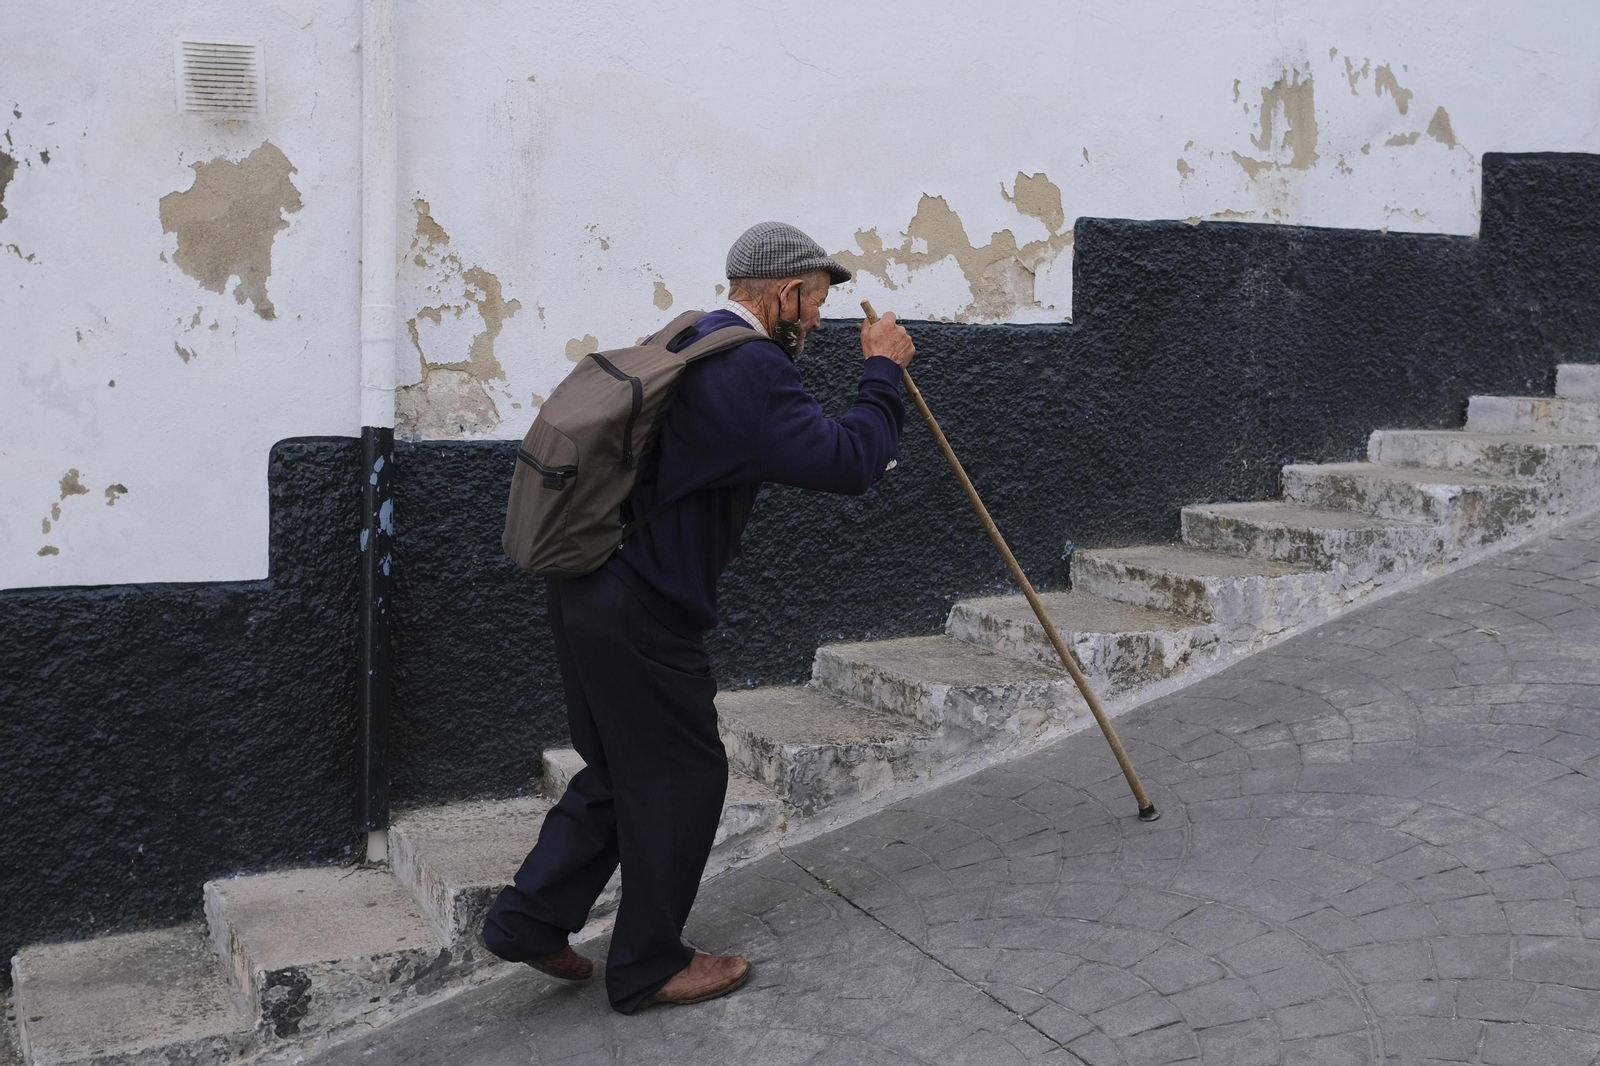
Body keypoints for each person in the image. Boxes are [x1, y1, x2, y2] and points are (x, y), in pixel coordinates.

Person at [482, 221, 917, 1013]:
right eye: (816, 303)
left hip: (586, 586)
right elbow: (851, 463)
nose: (818, 320)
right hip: (644, 607)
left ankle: (527, 920)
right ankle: (648, 965)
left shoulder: (691, 336)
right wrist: (882, 372)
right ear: (787, 292)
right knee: (684, 774)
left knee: (622, 769)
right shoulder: (752, 367)